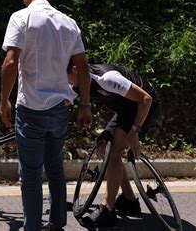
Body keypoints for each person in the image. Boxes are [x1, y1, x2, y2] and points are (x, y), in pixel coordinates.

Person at [0, 0, 92, 231]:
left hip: (30, 107)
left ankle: (32, 228)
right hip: (60, 108)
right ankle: (57, 222)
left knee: (30, 173)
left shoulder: (20, 18)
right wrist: (85, 104)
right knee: (55, 167)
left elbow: (10, 61)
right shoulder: (68, 22)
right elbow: (82, 66)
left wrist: (4, 100)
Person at [67, 61, 162, 228]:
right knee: (103, 147)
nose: (64, 82)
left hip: (146, 106)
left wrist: (134, 131)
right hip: (126, 110)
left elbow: (145, 99)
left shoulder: (107, 78)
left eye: (64, 76)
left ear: (75, 70)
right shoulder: (76, 84)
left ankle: (108, 209)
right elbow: (62, 103)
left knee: (116, 151)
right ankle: (128, 200)